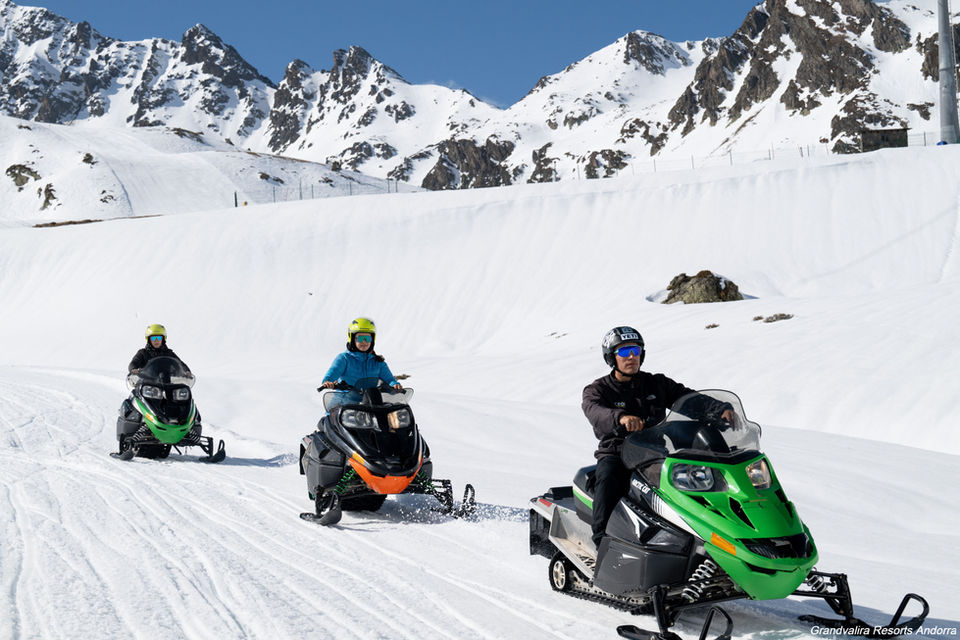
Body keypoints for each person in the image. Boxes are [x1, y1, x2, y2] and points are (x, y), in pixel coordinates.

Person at [581, 325, 732, 548]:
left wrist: (718, 409)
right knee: (609, 478)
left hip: (654, 454)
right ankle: (602, 540)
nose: (631, 357)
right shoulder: (599, 389)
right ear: (611, 357)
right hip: (618, 453)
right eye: (623, 352)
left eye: (635, 350)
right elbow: (594, 411)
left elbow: (687, 398)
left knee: (695, 479)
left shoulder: (656, 383)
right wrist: (620, 418)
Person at [318, 317, 402, 392]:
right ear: (352, 339)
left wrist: (394, 384)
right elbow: (333, 372)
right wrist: (328, 382)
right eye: (360, 338)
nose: (364, 342)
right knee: (333, 409)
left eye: (367, 338)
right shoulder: (344, 359)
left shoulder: (378, 362)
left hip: (370, 403)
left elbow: (389, 379)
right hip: (344, 403)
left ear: (372, 340)